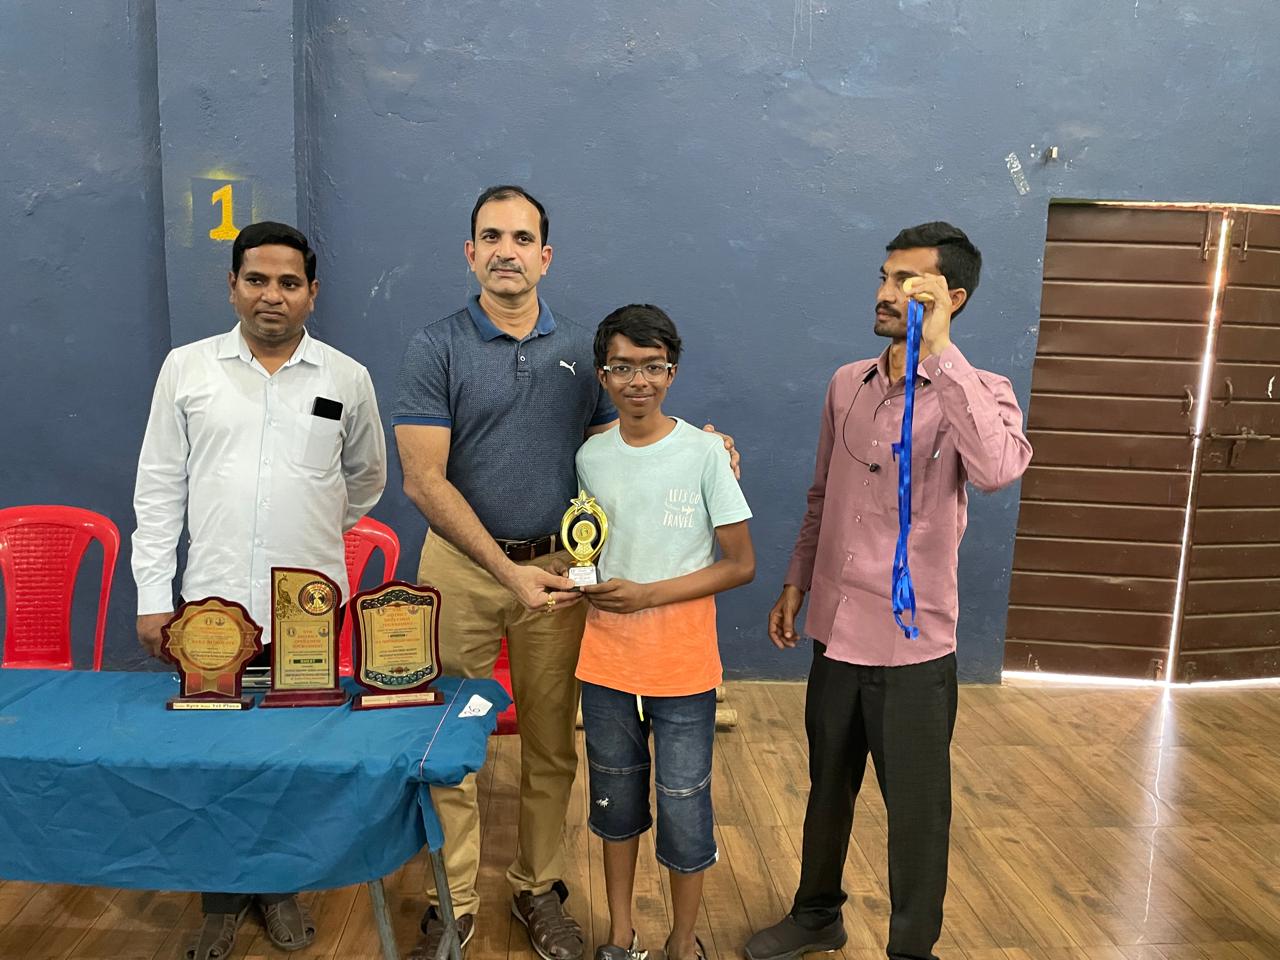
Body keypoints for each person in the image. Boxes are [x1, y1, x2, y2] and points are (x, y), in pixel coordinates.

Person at [392, 186, 737, 960]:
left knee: (551, 744)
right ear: (470, 253)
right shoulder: (434, 347)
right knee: (448, 737)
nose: (506, 251)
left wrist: (705, 447)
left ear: (545, 256)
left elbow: (628, 445)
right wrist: (504, 572)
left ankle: (537, 886)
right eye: (491, 236)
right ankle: (453, 899)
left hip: (562, 571)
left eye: (522, 238)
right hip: (459, 569)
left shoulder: (585, 351)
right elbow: (422, 481)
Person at [745, 222, 1032, 960]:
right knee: (826, 789)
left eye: (908, 282)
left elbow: (998, 470)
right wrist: (796, 579)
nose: (885, 292)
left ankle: (911, 949)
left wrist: (942, 354)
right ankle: (817, 915)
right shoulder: (848, 384)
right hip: (836, 628)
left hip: (913, 647)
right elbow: (821, 496)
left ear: (951, 297)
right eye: (884, 276)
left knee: (916, 812)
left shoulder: (982, 392)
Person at [132, 221, 387, 960]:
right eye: (256, 280)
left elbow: (366, 479)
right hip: (209, 609)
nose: (272, 295)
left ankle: (278, 884)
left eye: (288, 282)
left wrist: (307, 531)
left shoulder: (346, 378)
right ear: (232, 286)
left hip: (307, 610)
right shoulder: (187, 369)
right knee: (212, 754)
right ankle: (219, 896)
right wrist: (154, 595)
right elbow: (158, 487)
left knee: (289, 752)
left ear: (312, 292)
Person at [574, 304, 754, 960]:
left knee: (684, 805)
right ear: (603, 375)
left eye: (652, 366)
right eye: (623, 367)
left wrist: (649, 595)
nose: (638, 380)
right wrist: (574, 579)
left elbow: (740, 564)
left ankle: (682, 941)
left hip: (683, 664)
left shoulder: (705, 453)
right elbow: (587, 547)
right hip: (606, 662)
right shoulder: (590, 458)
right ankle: (620, 935)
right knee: (614, 801)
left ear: (672, 372)